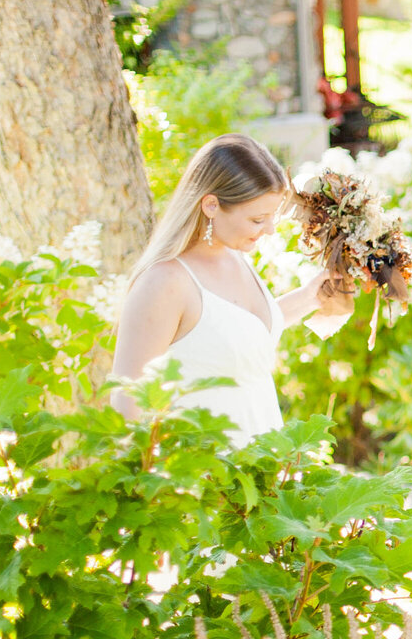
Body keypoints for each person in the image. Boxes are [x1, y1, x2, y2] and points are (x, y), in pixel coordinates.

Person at [112, 133, 352, 442]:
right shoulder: (165, 282)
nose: (269, 229)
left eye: (271, 217)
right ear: (211, 205)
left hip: (264, 466)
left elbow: (227, 333)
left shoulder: (235, 257)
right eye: (257, 219)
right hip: (206, 475)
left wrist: (309, 298)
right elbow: (127, 400)